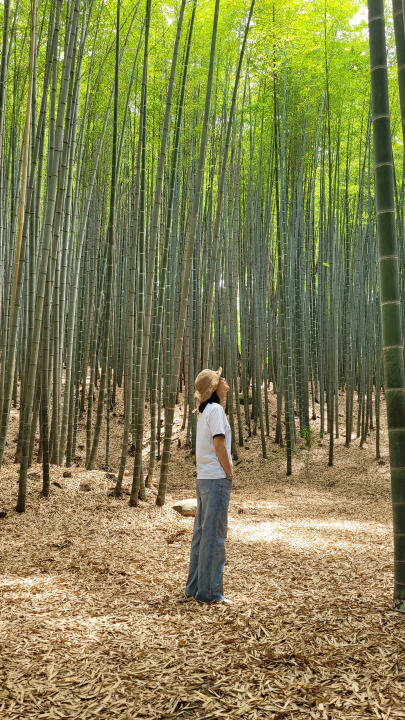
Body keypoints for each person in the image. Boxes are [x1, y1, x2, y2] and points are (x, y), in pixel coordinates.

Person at [185, 367, 233, 604]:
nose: (224, 380)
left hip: (204, 477)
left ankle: (195, 587)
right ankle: (210, 593)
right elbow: (219, 443)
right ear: (214, 389)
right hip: (215, 478)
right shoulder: (216, 411)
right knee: (214, 536)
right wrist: (229, 472)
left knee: (202, 534)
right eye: (220, 379)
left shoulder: (205, 412)